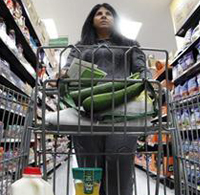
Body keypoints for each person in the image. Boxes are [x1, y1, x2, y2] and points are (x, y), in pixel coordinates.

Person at [62, 3, 152, 195]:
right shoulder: (79, 47)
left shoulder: (129, 45)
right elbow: (67, 70)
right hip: (85, 110)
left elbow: (142, 69)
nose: (103, 16)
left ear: (115, 19)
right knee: (89, 164)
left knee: (120, 162)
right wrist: (61, 76)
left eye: (108, 13)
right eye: (98, 14)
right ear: (91, 21)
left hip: (123, 111)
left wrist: (148, 79)